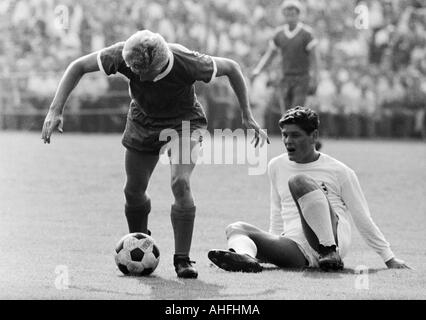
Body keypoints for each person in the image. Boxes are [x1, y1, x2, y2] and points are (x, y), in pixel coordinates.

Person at [41, 30, 269, 279]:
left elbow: (232, 68)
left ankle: (182, 259)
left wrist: (247, 115)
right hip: (143, 120)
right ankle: (139, 244)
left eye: (140, 71)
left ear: (159, 65)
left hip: (184, 122)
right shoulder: (125, 54)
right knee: (133, 190)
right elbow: (78, 66)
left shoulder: (188, 62)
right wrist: (55, 110)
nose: (133, 73)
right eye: (131, 68)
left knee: (180, 182)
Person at [208, 106, 410, 272]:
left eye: (295, 135)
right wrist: (270, 247)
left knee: (299, 182)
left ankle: (328, 251)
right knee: (236, 228)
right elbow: (277, 212)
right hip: (295, 247)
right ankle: (246, 259)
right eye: (285, 135)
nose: (288, 141)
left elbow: (362, 218)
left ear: (313, 136)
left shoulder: (340, 171)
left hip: (333, 239)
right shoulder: (276, 166)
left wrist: (389, 258)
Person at [251, 0, 320, 114]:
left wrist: (315, 77)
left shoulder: (306, 34)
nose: (290, 18)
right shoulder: (279, 34)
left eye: (293, 14)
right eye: (287, 14)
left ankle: (296, 131)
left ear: (298, 14)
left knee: (295, 110)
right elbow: (270, 54)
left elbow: (314, 58)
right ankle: (292, 132)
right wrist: (258, 69)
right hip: (285, 78)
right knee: (286, 113)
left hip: (302, 78)